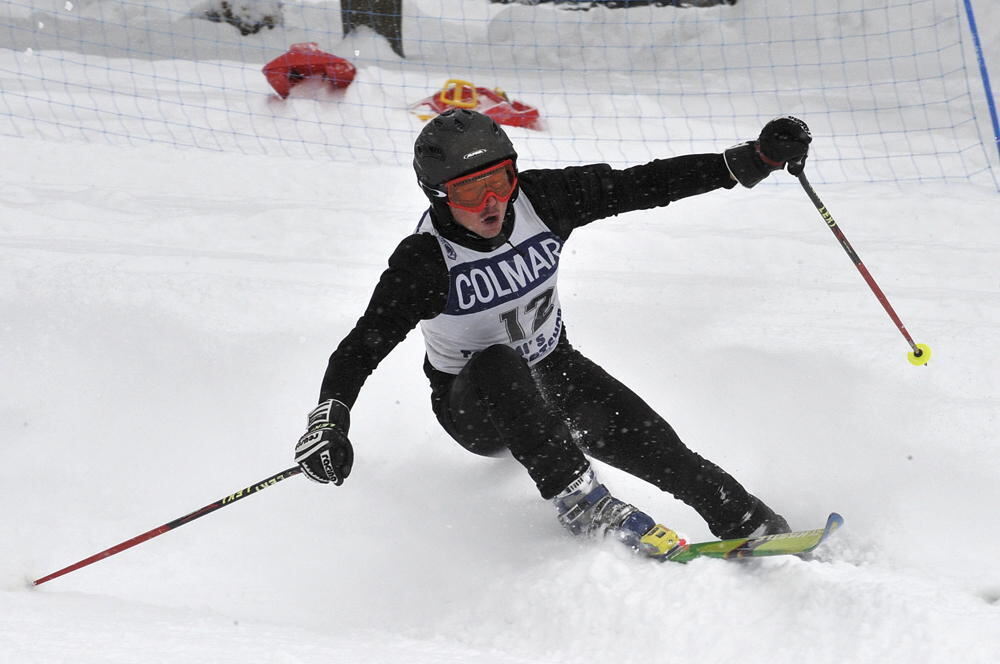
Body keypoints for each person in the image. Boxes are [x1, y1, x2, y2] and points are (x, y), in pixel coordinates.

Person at [294, 108, 812, 556]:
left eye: (499, 180)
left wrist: (754, 160)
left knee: (667, 453)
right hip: (474, 406)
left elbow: (642, 184)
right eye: (470, 191)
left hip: (555, 370)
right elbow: (360, 347)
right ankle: (581, 503)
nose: (492, 203)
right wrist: (329, 421)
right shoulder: (425, 262)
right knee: (497, 360)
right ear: (438, 195)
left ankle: (753, 528)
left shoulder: (544, 199)